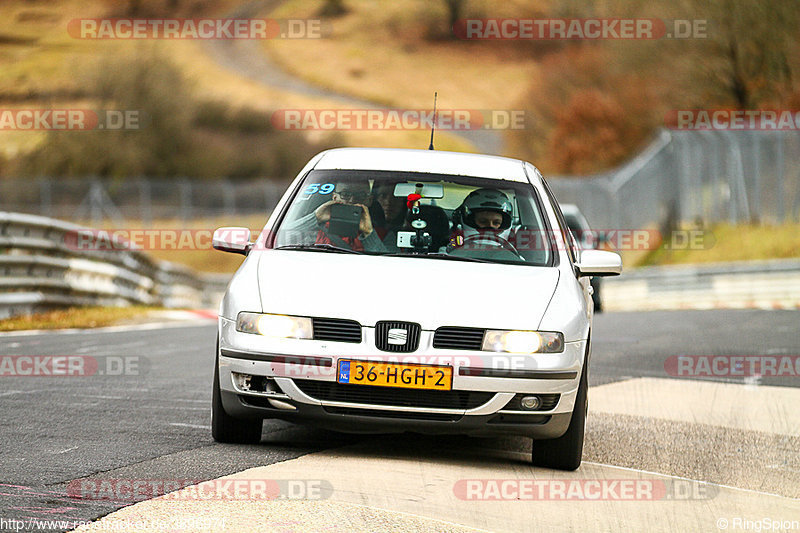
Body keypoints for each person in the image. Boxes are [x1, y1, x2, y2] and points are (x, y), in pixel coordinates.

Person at [282, 180, 386, 252]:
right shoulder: (315, 231)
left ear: (369, 200)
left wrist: (369, 234)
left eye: (360, 195)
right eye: (345, 194)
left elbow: (389, 265)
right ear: (334, 198)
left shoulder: (383, 235)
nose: (352, 201)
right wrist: (315, 218)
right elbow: (278, 239)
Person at [448, 188, 515, 251]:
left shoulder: (514, 258)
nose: (490, 226)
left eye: (496, 223)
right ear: (471, 221)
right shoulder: (450, 252)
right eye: (483, 222)